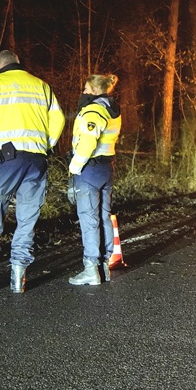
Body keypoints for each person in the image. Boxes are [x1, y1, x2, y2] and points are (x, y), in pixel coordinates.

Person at [0, 49, 65, 294]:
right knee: (27, 218)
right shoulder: (42, 85)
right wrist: (46, 144)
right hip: (36, 160)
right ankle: (19, 277)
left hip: (6, 161)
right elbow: (58, 119)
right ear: (19, 61)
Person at [68, 74, 122, 286]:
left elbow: (88, 141)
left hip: (89, 169)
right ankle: (104, 266)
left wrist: (75, 166)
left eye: (85, 88)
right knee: (104, 216)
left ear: (92, 90)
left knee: (89, 219)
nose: (83, 92)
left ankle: (91, 269)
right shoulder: (112, 109)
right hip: (106, 168)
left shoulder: (94, 110)